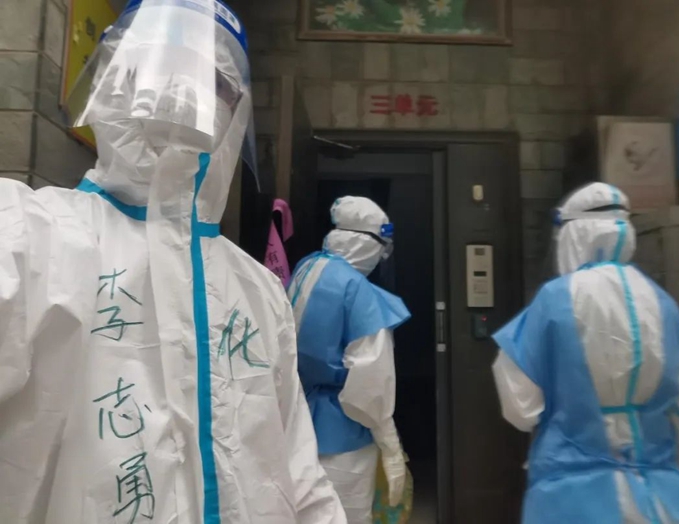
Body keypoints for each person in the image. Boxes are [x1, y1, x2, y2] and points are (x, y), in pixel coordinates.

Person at [0, 1, 346, 523]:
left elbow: (297, 468)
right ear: (115, 79)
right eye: (158, 64)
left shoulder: (256, 287)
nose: (184, 92)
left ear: (237, 113)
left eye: (215, 81)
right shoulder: (26, 234)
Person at [492, 182, 679, 524]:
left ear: (573, 235)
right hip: (661, 498)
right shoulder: (663, 304)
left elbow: (521, 408)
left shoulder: (553, 300)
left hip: (571, 499)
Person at [287, 196, 411, 524]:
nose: (382, 257)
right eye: (382, 248)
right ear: (366, 243)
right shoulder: (359, 292)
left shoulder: (307, 268)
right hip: (343, 436)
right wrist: (391, 447)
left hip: (295, 422)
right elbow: (370, 387)